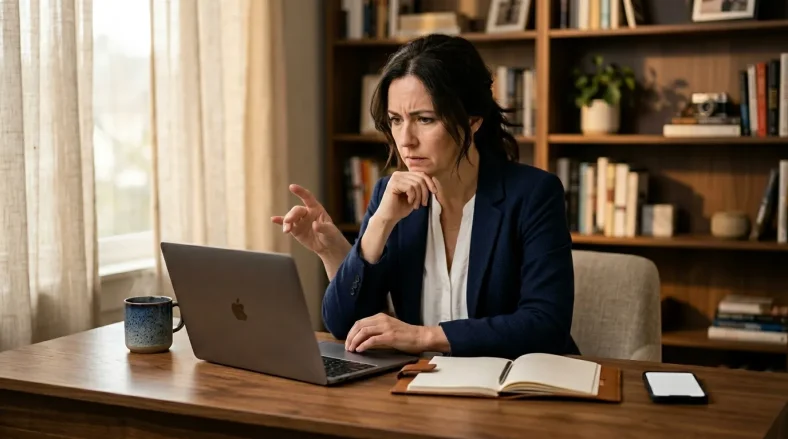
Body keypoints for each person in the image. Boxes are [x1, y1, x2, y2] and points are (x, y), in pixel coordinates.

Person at [272, 34, 579, 360]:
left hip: (512, 388)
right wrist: (377, 227)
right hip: (421, 389)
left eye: (425, 119)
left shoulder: (533, 195)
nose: (406, 140)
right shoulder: (389, 195)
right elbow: (344, 325)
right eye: (395, 120)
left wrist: (423, 337)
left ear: (473, 121)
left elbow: (546, 325)